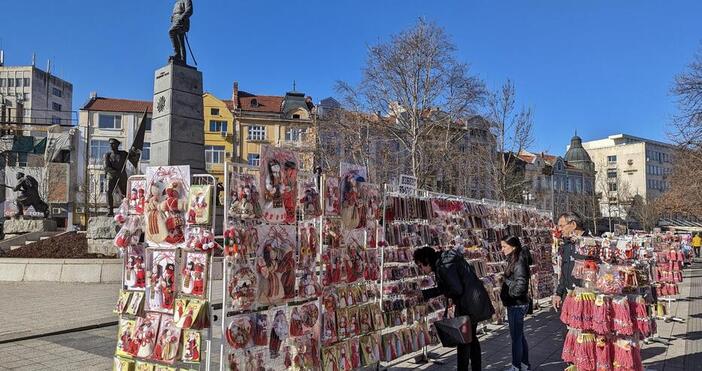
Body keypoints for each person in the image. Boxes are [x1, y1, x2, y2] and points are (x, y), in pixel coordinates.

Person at [414, 246, 495, 371]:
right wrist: (427, 293)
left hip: (468, 304)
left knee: (463, 341)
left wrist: (435, 294)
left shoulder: (443, 265)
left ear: (426, 260)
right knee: (471, 338)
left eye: (420, 265)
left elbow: (456, 289)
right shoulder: (445, 260)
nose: (421, 269)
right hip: (473, 301)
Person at [499, 236, 532, 371]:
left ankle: (516, 366)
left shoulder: (518, 262)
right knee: (519, 336)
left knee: (516, 338)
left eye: (504, 246)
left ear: (513, 247)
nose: (502, 249)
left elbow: (521, 287)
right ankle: (524, 364)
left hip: (516, 304)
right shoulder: (515, 259)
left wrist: (506, 283)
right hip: (515, 304)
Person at [551, 212, 586, 311]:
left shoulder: (590, 245)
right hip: (569, 297)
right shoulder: (566, 245)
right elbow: (564, 271)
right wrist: (559, 293)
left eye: (562, 226)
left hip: (586, 298)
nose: (560, 229)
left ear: (573, 225)